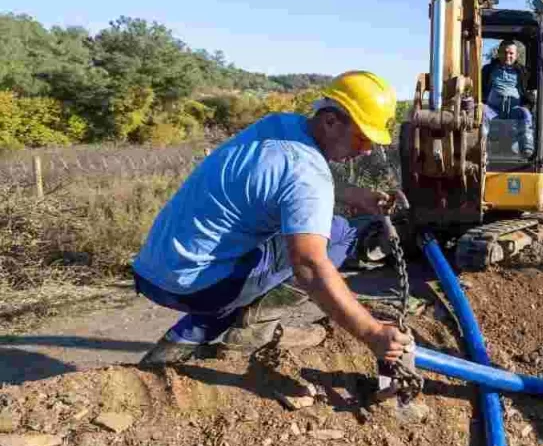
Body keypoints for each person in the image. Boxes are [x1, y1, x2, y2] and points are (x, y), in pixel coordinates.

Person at [131, 70, 414, 367]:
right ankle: (250, 334)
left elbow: (280, 182)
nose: (367, 150)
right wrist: (372, 332)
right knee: (339, 233)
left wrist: (352, 194)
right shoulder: (308, 175)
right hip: (193, 288)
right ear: (330, 121)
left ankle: (185, 337)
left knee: (297, 233)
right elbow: (309, 266)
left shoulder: (279, 125)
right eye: (361, 137)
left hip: (154, 270)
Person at [481, 39, 535, 158]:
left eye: (511, 53)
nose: (508, 56)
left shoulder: (523, 72)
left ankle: (526, 148)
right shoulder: (488, 70)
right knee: (482, 112)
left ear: (516, 55)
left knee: (525, 113)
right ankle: (481, 146)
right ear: (498, 53)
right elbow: (480, 89)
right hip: (493, 109)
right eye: (505, 52)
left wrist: (529, 101)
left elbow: (528, 91)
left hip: (514, 109)